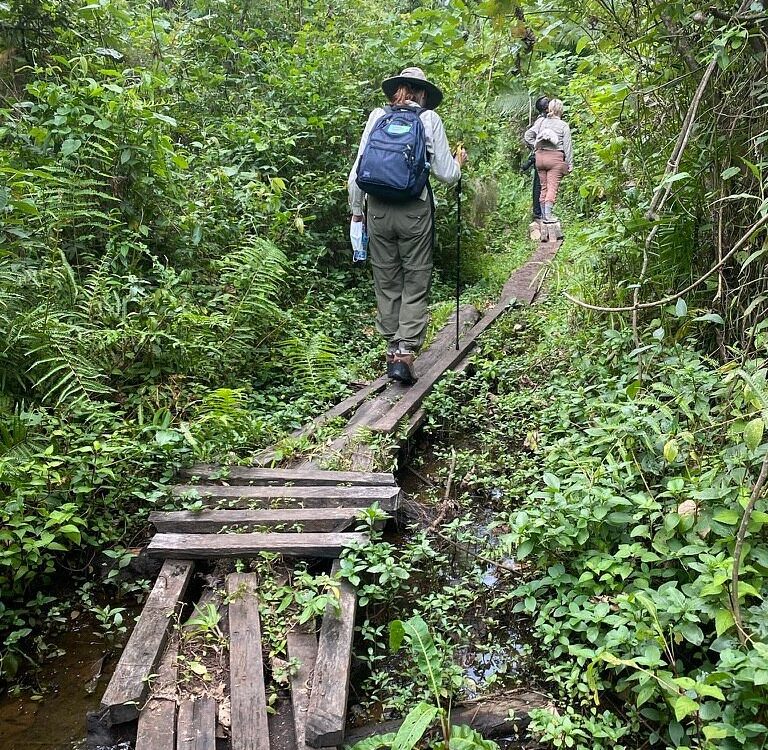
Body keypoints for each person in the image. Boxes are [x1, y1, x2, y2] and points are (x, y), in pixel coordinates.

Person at [348, 67, 467, 385]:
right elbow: (447, 174)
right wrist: (459, 163)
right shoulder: (429, 120)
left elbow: (358, 170)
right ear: (423, 93)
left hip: (377, 209)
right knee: (415, 279)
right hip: (414, 210)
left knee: (386, 281)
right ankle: (405, 353)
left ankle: (391, 350)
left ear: (396, 92)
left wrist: (356, 212)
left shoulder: (377, 116)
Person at [524, 98, 573, 222]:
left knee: (543, 186)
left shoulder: (541, 122)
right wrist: (570, 163)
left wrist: (535, 146)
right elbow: (567, 146)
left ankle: (542, 215)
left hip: (540, 158)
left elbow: (528, 135)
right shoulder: (563, 125)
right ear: (561, 110)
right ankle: (548, 216)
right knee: (552, 187)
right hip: (555, 159)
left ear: (549, 109)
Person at [524, 95, 549, 220]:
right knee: (539, 185)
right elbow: (528, 136)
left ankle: (541, 212)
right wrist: (538, 147)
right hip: (541, 156)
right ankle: (538, 213)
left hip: (543, 156)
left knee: (542, 184)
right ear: (545, 108)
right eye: (548, 103)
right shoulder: (541, 121)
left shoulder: (545, 120)